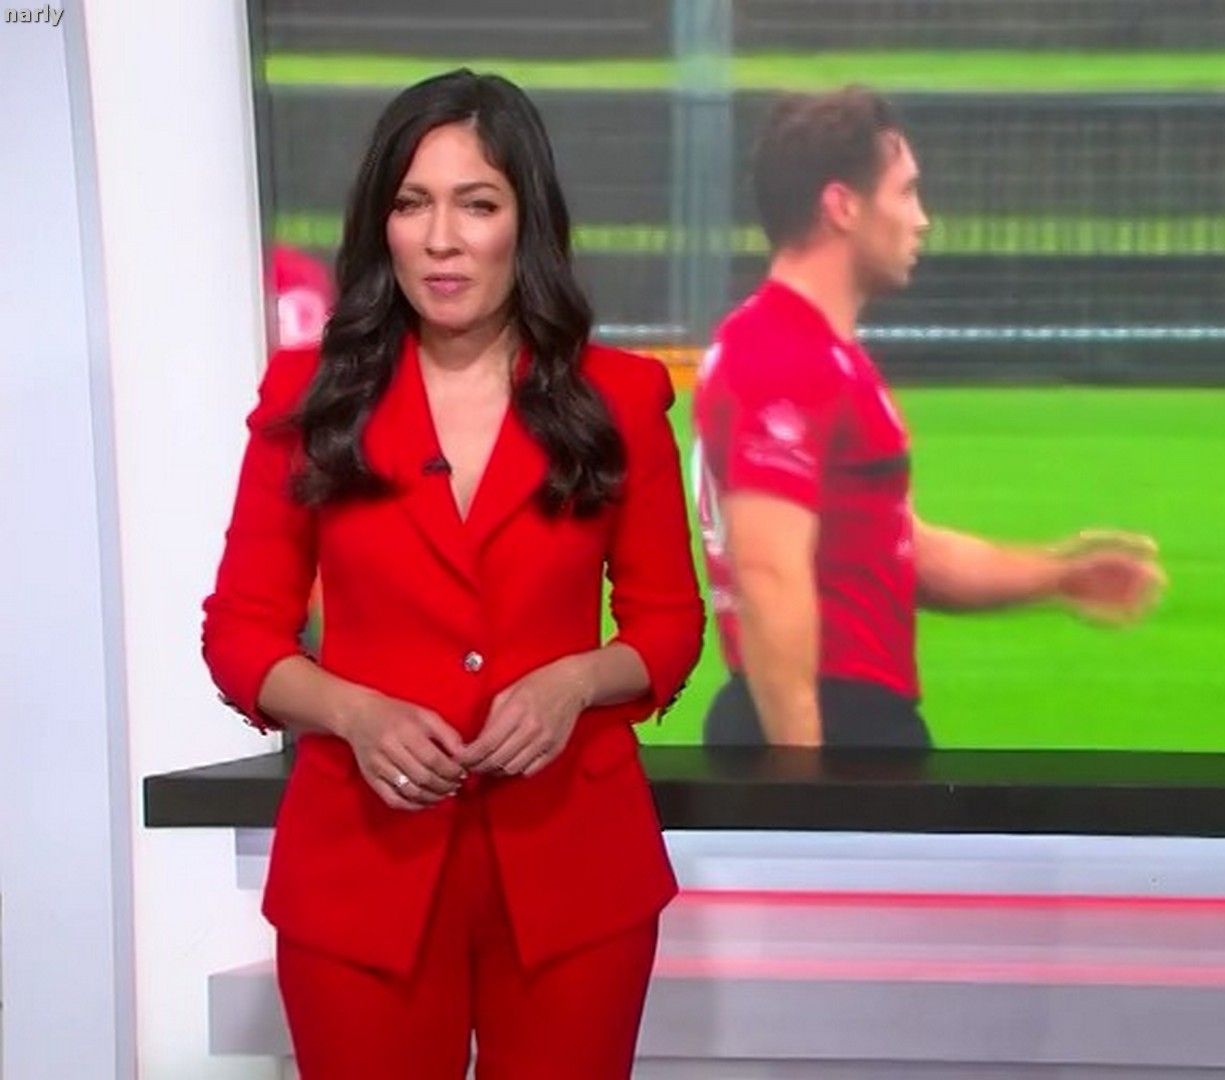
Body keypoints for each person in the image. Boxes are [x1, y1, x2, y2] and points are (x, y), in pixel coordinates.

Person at [200, 69, 703, 1079]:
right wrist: (352, 712)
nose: (441, 239)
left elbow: (667, 624)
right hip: (362, 871)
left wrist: (576, 681)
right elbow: (239, 632)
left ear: (527, 222)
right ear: (379, 225)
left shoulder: (616, 399)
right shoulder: (310, 398)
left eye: (476, 204)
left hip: (572, 873)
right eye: (411, 204)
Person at [692, 86, 1165, 750]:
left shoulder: (808, 352)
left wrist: (1058, 575)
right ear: (842, 207)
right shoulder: (785, 355)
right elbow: (769, 575)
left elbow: (901, 549)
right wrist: (800, 784)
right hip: (832, 723)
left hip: (840, 717)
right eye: (907, 192)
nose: (922, 219)